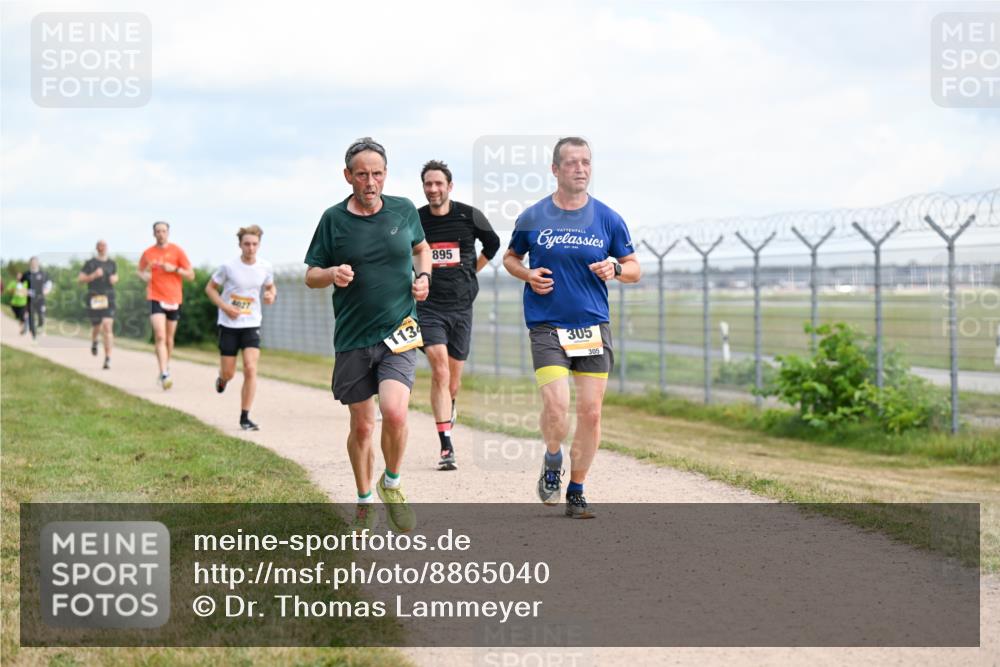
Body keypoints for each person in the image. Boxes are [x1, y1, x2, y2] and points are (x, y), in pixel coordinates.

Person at [503, 137, 640, 519]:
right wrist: (528, 274)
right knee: (557, 404)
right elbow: (510, 258)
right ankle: (552, 458)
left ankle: (576, 489)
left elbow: (634, 268)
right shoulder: (533, 217)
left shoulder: (608, 218)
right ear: (555, 169)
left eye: (586, 162)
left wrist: (615, 268)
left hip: (592, 325)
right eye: (572, 163)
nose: (581, 169)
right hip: (547, 325)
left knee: (592, 413)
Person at [304, 137, 431, 532]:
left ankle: (391, 483)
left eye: (377, 173)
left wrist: (424, 276)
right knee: (362, 426)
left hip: (399, 331)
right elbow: (311, 275)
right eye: (362, 174)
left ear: (385, 175)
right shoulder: (333, 220)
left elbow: (421, 249)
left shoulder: (404, 210)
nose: (370, 181)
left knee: (394, 411)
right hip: (354, 336)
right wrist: (331, 273)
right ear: (348, 177)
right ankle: (363, 499)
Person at [417, 160, 500, 470]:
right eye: (428, 184)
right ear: (423, 187)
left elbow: (493, 244)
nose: (433, 189)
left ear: (449, 186)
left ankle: (449, 406)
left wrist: (472, 271)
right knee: (439, 370)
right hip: (429, 307)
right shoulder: (416, 220)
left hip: (462, 306)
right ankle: (446, 447)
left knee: (452, 380)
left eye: (439, 184)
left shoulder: (469, 215)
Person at [206, 225, 276, 431]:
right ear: (240, 245)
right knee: (229, 373)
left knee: (250, 368)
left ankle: (245, 416)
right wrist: (225, 307)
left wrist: (271, 295)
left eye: (254, 244)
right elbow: (210, 289)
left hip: (251, 323)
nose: (251, 248)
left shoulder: (265, 267)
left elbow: (270, 286)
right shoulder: (228, 266)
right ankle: (222, 378)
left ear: (259, 245)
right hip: (229, 324)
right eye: (247, 244)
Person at [138, 222, 194, 389]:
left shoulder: (177, 251)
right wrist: (145, 276)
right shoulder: (148, 253)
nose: (161, 234)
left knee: (169, 339)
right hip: (155, 297)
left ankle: (165, 365)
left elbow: (191, 275)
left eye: (163, 231)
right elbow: (140, 271)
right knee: (160, 336)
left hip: (174, 298)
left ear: (168, 233)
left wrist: (175, 269)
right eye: (158, 231)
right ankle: (164, 373)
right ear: (153, 234)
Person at [78, 240, 118, 369]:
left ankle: (108, 358)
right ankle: (95, 341)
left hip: (109, 298)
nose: (103, 247)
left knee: (107, 326)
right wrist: (94, 275)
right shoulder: (90, 263)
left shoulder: (112, 263)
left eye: (105, 245)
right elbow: (80, 279)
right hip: (94, 297)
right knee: (96, 326)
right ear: (97, 248)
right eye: (100, 245)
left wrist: (115, 279)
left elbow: (115, 276)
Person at [23, 257, 52, 340]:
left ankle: (39, 326)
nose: (34, 264)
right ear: (30, 263)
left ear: (38, 263)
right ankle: (34, 335)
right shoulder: (26, 274)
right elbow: (20, 284)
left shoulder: (43, 274)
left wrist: (46, 290)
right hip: (30, 299)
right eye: (32, 262)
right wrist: (24, 291)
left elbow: (49, 283)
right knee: (31, 317)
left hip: (40, 299)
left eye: (35, 262)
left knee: (41, 316)